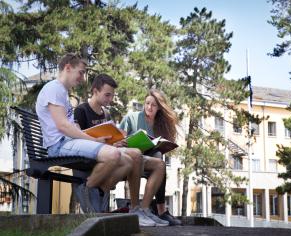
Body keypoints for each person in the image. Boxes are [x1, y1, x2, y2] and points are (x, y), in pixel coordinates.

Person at [35, 53, 155, 227]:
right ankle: (88, 188)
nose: (82, 78)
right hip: (59, 145)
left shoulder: (61, 91)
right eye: (81, 72)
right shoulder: (54, 88)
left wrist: (96, 138)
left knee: (128, 161)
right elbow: (63, 126)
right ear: (68, 67)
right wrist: (93, 140)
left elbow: (70, 127)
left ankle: (97, 196)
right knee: (113, 154)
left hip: (68, 142)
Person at [74, 73, 169, 226]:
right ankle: (135, 209)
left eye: (111, 95)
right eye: (107, 95)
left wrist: (120, 141)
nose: (110, 99)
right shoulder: (81, 110)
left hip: (113, 152)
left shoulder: (106, 113)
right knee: (136, 154)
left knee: (160, 164)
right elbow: (78, 139)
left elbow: (111, 138)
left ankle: (144, 210)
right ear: (95, 90)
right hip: (98, 156)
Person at [119, 89, 182, 226]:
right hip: (130, 158)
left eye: (153, 105)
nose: (149, 107)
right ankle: (158, 210)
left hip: (149, 159)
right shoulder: (132, 118)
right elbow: (119, 140)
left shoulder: (161, 124)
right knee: (155, 159)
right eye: (147, 103)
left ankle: (146, 209)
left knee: (160, 158)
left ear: (159, 107)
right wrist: (125, 141)